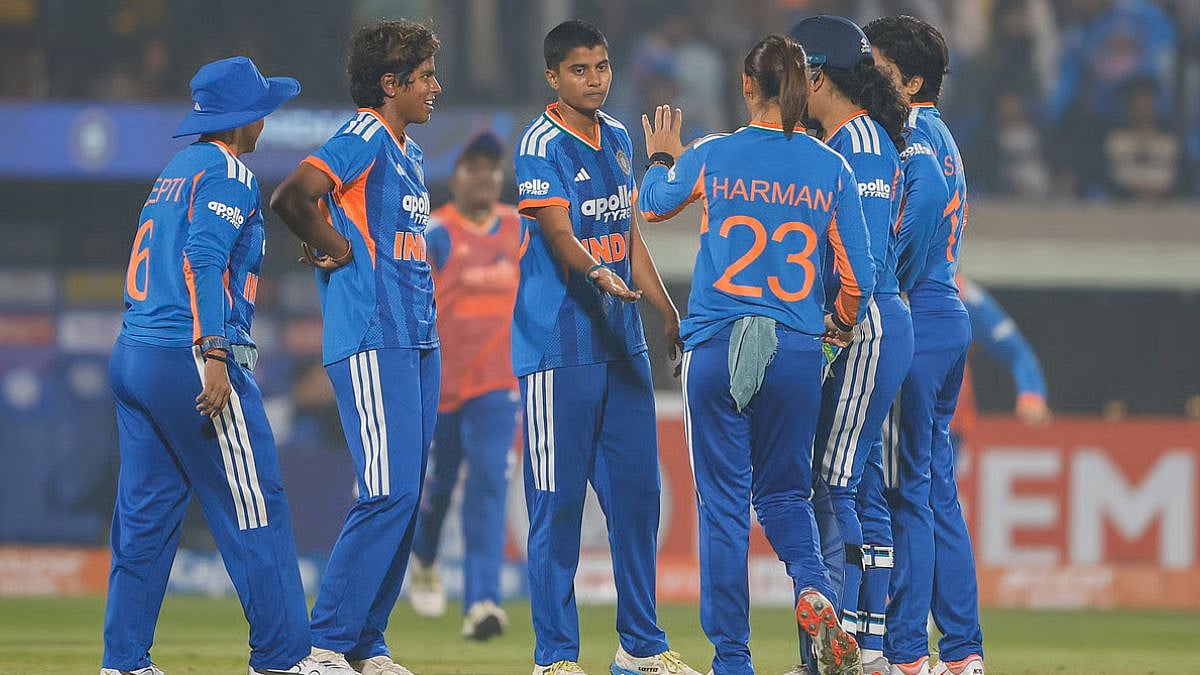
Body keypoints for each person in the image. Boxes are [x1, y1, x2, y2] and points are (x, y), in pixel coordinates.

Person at [640, 34, 875, 675]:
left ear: (747, 87)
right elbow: (859, 277)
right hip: (796, 350)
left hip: (718, 343)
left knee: (722, 506)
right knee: (787, 496)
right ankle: (814, 588)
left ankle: (734, 662)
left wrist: (662, 157)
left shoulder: (715, 154)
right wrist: (840, 324)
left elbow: (652, 206)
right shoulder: (832, 167)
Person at [103, 56, 346, 675]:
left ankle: (124, 661)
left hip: (135, 355)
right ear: (248, 119)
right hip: (191, 358)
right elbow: (201, 260)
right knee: (254, 505)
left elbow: (192, 254)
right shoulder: (229, 173)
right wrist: (212, 351)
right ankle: (285, 658)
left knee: (146, 517)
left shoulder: (176, 170)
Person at [512, 20, 699, 675]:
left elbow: (629, 235)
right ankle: (556, 656)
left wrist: (665, 307)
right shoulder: (539, 143)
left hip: (623, 347)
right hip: (557, 347)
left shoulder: (619, 137)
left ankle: (640, 645)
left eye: (602, 67)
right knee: (556, 505)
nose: (595, 80)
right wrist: (594, 270)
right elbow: (560, 232)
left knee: (637, 502)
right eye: (580, 70)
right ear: (553, 78)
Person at [270, 19, 442, 675]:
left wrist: (334, 237)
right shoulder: (364, 133)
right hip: (374, 335)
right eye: (424, 76)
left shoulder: (410, 153)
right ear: (389, 84)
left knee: (406, 493)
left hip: (418, 338)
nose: (436, 87)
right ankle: (325, 643)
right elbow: (293, 195)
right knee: (386, 489)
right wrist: (337, 247)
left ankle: (368, 642)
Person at [788, 16, 914, 675]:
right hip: (868, 321)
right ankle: (867, 648)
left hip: (862, 323)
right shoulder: (846, 136)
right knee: (853, 483)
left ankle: (828, 655)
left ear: (815, 74)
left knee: (830, 484)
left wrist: (826, 341)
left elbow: (855, 270)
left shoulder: (856, 144)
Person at [863, 15, 984, 675]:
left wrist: (890, 277)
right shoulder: (944, 134)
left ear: (908, 80)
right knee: (934, 486)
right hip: (946, 310)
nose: (864, 77)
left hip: (917, 308)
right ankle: (962, 649)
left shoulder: (908, 132)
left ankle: (907, 651)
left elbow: (926, 195)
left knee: (904, 489)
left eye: (875, 66)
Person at [406, 132, 522, 640]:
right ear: (456, 177)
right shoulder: (437, 233)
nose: (484, 176)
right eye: (474, 167)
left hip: (499, 387)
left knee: (488, 485)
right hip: (443, 388)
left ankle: (482, 603)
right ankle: (425, 556)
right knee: (439, 489)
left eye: (492, 168)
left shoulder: (519, 229)